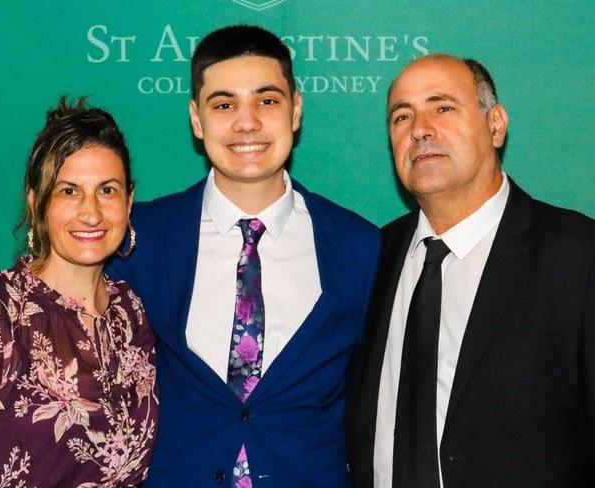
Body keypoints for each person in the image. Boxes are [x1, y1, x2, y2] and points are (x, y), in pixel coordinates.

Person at [106, 25, 380, 487]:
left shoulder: (359, 244)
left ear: (296, 109)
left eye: (267, 101)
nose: (246, 122)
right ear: (197, 119)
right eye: (224, 104)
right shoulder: (138, 237)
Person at [346, 54, 595, 488]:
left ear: (495, 125)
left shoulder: (577, 255)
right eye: (402, 116)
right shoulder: (368, 257)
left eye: (442, 107)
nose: (420, 129)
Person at [0, 97, 158, 487]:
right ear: (36, 201)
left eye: (107, 190)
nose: (91, 213)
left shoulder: (131, 313)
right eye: (68, 191)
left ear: (129, 200)